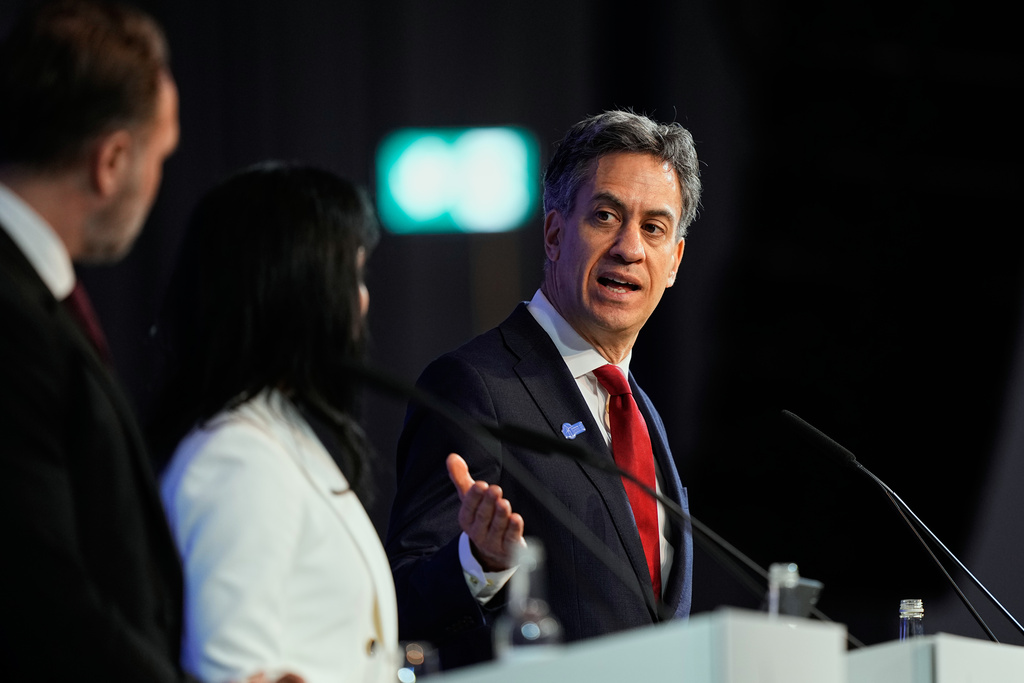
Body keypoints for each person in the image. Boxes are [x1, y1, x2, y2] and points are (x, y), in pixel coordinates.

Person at [386, 109, 701, 667]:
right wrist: (477, 559)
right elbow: (402, 600)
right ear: (555, 233)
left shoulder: (641, 411)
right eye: (605, 216)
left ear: (673, 261)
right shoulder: (475, 386)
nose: (629, 247)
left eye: (653, 227)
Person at [0, 1, 187, 679]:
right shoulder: (13, 315)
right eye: (159, 157)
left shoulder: (33, 296)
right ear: (111, 160)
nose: (157, 183)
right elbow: (40, 595)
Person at [155, 162, 398, 683]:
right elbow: (231, 670)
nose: (363, 297)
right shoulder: (235, 458)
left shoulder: (277, 425)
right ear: (297, 284)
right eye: (352, 275)